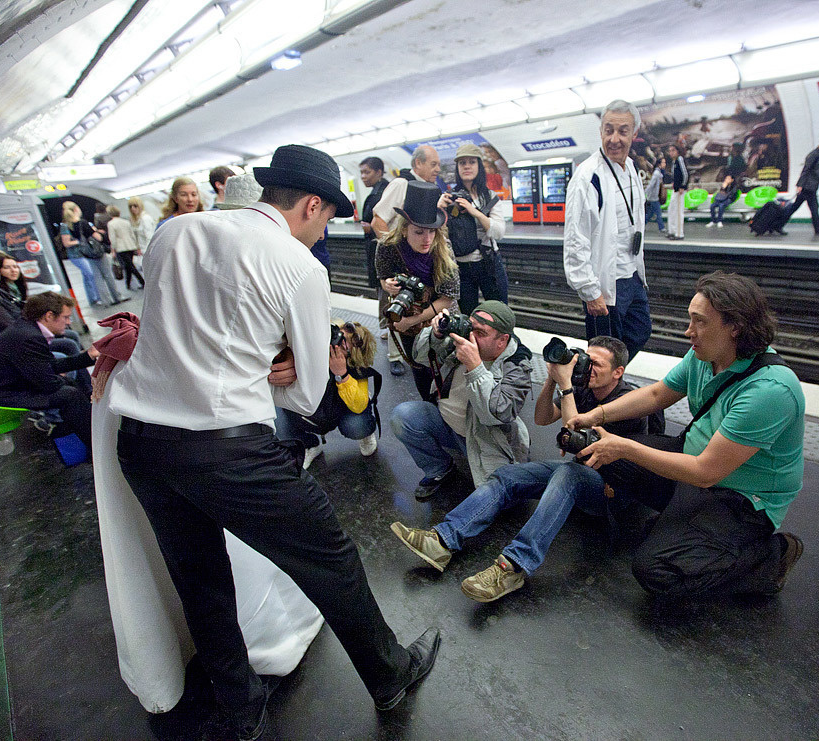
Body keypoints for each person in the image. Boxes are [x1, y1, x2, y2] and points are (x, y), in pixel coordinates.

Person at [107, 144, 440, 740]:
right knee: (329, 557)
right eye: (326, 219)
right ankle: (390, 676)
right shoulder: (298, 265)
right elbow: (309, 390)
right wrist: (268, 372)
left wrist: (246, 363)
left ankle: (242, 709)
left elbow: (170, 334)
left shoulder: (173, 233)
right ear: (312, 204)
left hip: (142, 444)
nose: (322, 234)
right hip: (226, 450)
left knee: (201, 581)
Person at [569, 271, 805, 599]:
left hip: (741, 497)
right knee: (598, 451)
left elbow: (706, 473)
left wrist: (624, 447)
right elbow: (656, 395)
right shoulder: (704, 356)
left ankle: (771, 556)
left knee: (655, 571)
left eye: (699, 321)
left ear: (734, 327)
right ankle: (685, 527)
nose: (688, 331)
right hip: (697, 462)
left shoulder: (770, 390)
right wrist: (596, 415)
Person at [390, 336, 651, 602]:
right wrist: (551, 379)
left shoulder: (629, 402)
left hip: (612, 490)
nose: (587, 367)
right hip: (580, 471)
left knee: (567, 473)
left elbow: (575, 440)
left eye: (596, 364)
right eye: (586, 358)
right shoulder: (584, 389)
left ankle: (513, 566)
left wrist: (565, 386)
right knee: (508, 476)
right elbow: (542, 418)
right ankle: (442, 540)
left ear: (618, 372)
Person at [390, 300, 532, 500]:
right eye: (470, 327)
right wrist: (436, 335)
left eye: (481, 333)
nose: (471, 336)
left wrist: (475, 367)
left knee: (501, 498)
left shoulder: (517, 365)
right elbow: (420, 358)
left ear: (502, 340)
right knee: (403, 416)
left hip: (487, 440)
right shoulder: (460, 340)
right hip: (447, 425)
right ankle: (439, 469)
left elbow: (498, 414)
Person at [564, 99, 651, 363]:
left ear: (634, 133)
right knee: (604, 355)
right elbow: (575, 239)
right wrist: (590, 291)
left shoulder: (632, 169)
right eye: (608, 130)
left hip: (631, 274)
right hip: (605, 282)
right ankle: (592, 396)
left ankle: (611, 383)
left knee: (639, 330)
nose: (614, 139)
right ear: (601, 131)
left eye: (622, 131)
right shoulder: (588, 176)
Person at [0, 292, 97, 450]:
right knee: (69, 395)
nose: (68, 322)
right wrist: (60, 379)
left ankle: (88, 439)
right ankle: (96, 446)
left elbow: (47, 366)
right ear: (49, 316)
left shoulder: (27, 328)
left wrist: (87, 357)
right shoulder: (29, 337)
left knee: (69, 389)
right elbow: (49, 384)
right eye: (66, 317)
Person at [375, 181, 459, 400]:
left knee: (446, 375)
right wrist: (387, 284)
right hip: (408, 319)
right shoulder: (387, 247)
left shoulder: (443, 248)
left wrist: (411, 321)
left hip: (439, 317)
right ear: (404, 229)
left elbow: (448, 299)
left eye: (432, 231)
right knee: (420, 370)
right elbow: (383, 277)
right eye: (419, 232)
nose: (427, 239)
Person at [371, 145, 444, 377]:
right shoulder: (401, 184)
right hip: (399, 264)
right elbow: (378, 221)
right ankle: (396, 356)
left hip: (421, 259)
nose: (438, 169)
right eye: (433, 164)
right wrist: (394, 251)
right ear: (417, 164)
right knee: (397, 306)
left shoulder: (429, 190)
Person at [275, 320, 380, 469]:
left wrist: (342, 375)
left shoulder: (357, 369)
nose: (340, 342)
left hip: (340, 412)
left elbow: (358, 406)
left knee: (356, 425)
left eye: (347, 344)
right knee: (276, 418)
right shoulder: (319, 341)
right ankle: (309, 445)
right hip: (312, 409)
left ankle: (365, 434)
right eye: (341, 337)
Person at [441, 143, 510, 316]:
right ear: (457, 168)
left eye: (472, 162)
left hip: (489, 262)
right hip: (461, 266)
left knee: (499, 312)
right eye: (462, 163)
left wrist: (475, 212)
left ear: (479, 165)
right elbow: (438, 235)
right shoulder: (449, 197)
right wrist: (439, 210)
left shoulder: (490, 196)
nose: (467, 166)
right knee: (467, 316)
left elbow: (499, 232)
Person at [59, 201, 128, 306]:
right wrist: (99, 233)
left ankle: (105, 301)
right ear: (76, 210)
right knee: (107, 275)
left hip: (86, 253)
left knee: (97, 277)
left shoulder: (68, 226)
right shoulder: (83, 222)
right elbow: (98, 237)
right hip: (96, 251)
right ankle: (116, 297)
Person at [359, 157, 389, 335]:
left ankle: (387, 326)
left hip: (381, 248)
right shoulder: (378, 190)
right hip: (376, 247)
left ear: (378, 172)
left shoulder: (382, 192)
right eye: (361, 172)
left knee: (384, 287)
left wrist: (371, 228)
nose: (363, 176)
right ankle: (386, 325)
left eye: (366, 172)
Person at [785, 133, 819, 236]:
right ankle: (818, 229)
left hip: (810, 186)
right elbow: (806, 169)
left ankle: (777, 224)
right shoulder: (814, 154)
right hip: (807, 187)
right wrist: (800, 185)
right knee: (812, 208)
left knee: (796, 207)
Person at [106, 205, 145, 290]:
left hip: (121, 248)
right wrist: (137, 246)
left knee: (130, 266)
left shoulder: (111, 224)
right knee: (128, 265)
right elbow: (132, 235)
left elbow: (112, 238)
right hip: (130, 246)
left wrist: (113, 249)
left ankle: (142, 281)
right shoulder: (126, 222)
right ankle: (128, 284)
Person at [666, 143, 689, 240]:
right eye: (670, 151)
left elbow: (685, 174)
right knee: (671, 210)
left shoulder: (680, 160)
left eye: (673, 150)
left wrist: (683, 186)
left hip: (679, 190)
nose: (671, 153)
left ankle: (679, 233)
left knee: (679, 212)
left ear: (678, 151)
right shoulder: (674, 162)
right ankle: (672, 230)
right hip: (675, 189)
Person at [644, 157, 666, 233]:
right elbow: (651, 184)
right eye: (663, 162)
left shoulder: (659, 173)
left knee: (650, 214)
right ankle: (661, 228)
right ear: (659, 164)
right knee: (658, 212)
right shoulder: (657, 173)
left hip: (652, 197)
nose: (665, 164)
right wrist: (645, 192)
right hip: (653, 197)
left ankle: (642, 225)